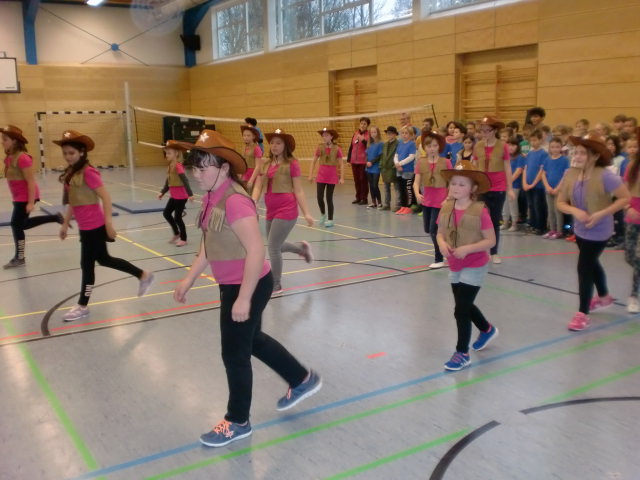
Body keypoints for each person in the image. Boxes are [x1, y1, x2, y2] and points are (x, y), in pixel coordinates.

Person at [172, 129, 321, 448]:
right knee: (252, 340)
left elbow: (256, 251)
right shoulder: (212, 196)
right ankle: (302, 378)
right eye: (195, 167)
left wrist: (243, 298)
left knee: (234, 353)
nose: (197, 174)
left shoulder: (236, 201)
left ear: (224, 168)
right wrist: (189, 278)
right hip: (234, 284)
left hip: (247, 284)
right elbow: (209, 243)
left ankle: (238, 421)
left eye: (203, 167)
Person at [55, 130, 155, 321]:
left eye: (72, 153)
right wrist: (65, 224)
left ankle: (82, 305)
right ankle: (143, 275)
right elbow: (73, 202)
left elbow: (106, 198)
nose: (68, 156)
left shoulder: (89, 173)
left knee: (87, 265)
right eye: (65, 153)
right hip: (85, 227)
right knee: (105, 259)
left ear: (82, 152)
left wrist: (108, 224)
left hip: (95, 226)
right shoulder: (71, 174)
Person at [556, 132, 630, 331]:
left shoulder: (605, 175)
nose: (577, 156)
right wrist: (575, 211)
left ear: (595, 156)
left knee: (584, 267)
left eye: (583, 153)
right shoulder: (570, 174)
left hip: (600, 230)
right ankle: (604, 297)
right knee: (592, 262)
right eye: (576, 152)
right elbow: (560, 202)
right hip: (580, 229)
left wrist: (601, 214)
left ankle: (582, 313)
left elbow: (625, 198)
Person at [436, 161, 498, 371]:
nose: (455, 187)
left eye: (462, 184)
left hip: (475, 264)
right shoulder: (446, 207)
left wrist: (468, 249)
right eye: (453, 183)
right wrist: (442, 244)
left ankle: (462, 353)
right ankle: (487, 329)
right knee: (465, 305)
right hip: (455, 264)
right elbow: (440, 233)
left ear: (473, 188)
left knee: (460, 310)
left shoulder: (480, 211)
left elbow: (491, 241)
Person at [252, 129, 314, 295]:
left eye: (278, 143)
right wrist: (253, 201)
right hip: (271, 210)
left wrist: (306, 213)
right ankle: (301, 249)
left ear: (285, 146)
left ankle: (276, 284)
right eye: (272, 142)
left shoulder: (292, 164)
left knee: (273, 247)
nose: (274, 146)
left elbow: (298, 190)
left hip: (287, 209)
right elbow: (258, 186)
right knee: (276, 245)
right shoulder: (265, 163)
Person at [2, 125, 64, 269]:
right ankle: (54, 217)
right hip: (18, 197)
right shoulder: (9, 158)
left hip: (26, 197)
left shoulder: (23, 158)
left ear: (15, 141)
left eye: (5, 139)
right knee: (21, 224)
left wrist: (30, 202)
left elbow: (30, 181)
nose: (2, 142)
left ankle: (19, 257)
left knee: (16, 225)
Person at [473, 115, 515, 263]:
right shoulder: (478, 146)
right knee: (480, 220)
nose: (485, 134)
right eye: (482, 131)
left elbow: (507, 167)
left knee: (494, 220)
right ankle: (481, 250)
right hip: (481, 187)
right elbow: (474, 166)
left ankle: (494, 252)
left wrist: (510, 188)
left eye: (488, 130)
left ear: (495, 131)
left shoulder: (502, 146)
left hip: (498, 187)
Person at [414, 131, 451, 268]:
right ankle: (446, 246)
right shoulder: (421, 162)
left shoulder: (446, 162)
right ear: (424, 147)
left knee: (434, 230)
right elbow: (416, 182)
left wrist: (448, 198)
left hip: (441, 202)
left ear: (439, 146)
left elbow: (452, 182)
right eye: (429, 146)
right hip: (427, 201)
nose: (432, 149)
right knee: (428, 230)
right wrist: (417, 194)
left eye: (435, 146)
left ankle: (439, 259)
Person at [158, 140, 193, 247]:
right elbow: (168, 181)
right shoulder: (170, 166)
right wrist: (162, 192)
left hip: (181, 197)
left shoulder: (178, 166)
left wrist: (190, 194)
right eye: (166, 153)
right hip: (174, 196)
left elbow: (185, 180)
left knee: (177, 217)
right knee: (166, 213)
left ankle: (183, 238)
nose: (167, 155)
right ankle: (176, 233)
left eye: (169, 153)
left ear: (176, 153)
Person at [308, 127, 344, 227]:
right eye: (323, 136)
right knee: (319, 197)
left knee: (329, 198)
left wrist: (342, 178)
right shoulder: (320, 147)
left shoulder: (337, 149)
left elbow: (341, 164)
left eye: (326, 135)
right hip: (321, 176)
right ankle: (323, 214)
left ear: (331, 137)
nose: (324, 137)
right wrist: (310, 175)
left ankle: (330, 219)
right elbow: (314, 161)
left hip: (332, 176)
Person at [541, 137, 570, 239]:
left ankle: (559, 231)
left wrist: (558, 188)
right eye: (552, 147)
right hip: (549, 189)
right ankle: (552, 230)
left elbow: (565, 176)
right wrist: (547, 186)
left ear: (561, 147)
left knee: (558, 210)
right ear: (549, 148)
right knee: (551, 210)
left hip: (559, 190)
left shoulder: (565, 160)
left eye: (557, 147)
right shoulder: (547, 160)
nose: (555, 149)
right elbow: (543, 174)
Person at [522, 129, 549, 235]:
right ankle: (532, 224)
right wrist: (525, 183)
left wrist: (533, 184)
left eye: (535, 140)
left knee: (539, 206)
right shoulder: (530, 153)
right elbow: (526, 168)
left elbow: (542, 170)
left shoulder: (543, 154)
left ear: (540, 140)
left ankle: (540, 226)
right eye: (531, 140)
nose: (533, 143)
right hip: (528, 184)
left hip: (538, 185)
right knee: (531, 205)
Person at [394, 126, 418, 214]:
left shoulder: (412, 144)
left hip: (408, 170)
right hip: (399, 170)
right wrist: (397, 163)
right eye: (403, 133)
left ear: (411, 135)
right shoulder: (400, 143)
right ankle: (403, 206)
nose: (404, 135)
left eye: (406, 133)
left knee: (408, 189)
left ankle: (409, 206)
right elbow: (396, 155)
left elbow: (411, 157)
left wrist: (400, 164)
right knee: (401, 189)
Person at [502, 138, 524, 232]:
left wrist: (509, 181)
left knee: (512, 203)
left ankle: (514, 223)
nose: (511, 147)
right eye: (509, 145)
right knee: (505, 203)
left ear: (517, 147)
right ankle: (505, 222)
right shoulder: (505, 157)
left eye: (513, 145)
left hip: (514, 185)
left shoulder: (520, 157)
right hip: (505, 184)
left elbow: (518, 171)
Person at [347, 117, 370, 205]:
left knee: (363, 180)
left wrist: (363, 140)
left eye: (365, 124)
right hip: (354, 161)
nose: (362, 125)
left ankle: (364, 198)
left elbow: (369, 146)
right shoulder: (355, 133)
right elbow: (351, 147)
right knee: (356, 180)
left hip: (363, 161)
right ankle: (358, 197)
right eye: (361, 123)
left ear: (367, 125)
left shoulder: (368, 134)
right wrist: (349, 159)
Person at [380, 126, 399, 211]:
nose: (389, 135)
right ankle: (387, 204)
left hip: (393, 168)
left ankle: (398, 205)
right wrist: (381, 165)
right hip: (385, 169)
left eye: (391, 133)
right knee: (386, 188)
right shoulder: (385, 144)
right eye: (388, 133)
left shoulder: (398, 144)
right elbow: (382, 156)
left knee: (397, 188)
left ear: (395, 134)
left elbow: (399, 155)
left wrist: (396, 164)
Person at [239, 125, 263, 190]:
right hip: (244, 174)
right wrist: (240, 174)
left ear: (253, 136)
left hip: (253, 176)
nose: (246, 137)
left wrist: (251, 180)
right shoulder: (244, 147)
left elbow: (258, 166)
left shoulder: (256, 148)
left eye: (248, 135)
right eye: (244, 135)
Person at [365, 125, 383, 209]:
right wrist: (366, 162)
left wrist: (371, 162)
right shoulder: (369, 144)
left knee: (375, 185)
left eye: (375, 132)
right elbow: (366, 154)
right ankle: (373, 202)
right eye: (371, 132)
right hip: (368, 168)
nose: (373, 134)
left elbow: (380, 156)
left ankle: (379, 202)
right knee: (371, 185)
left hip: (375, 167)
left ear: (378, 133)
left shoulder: (380, 144)